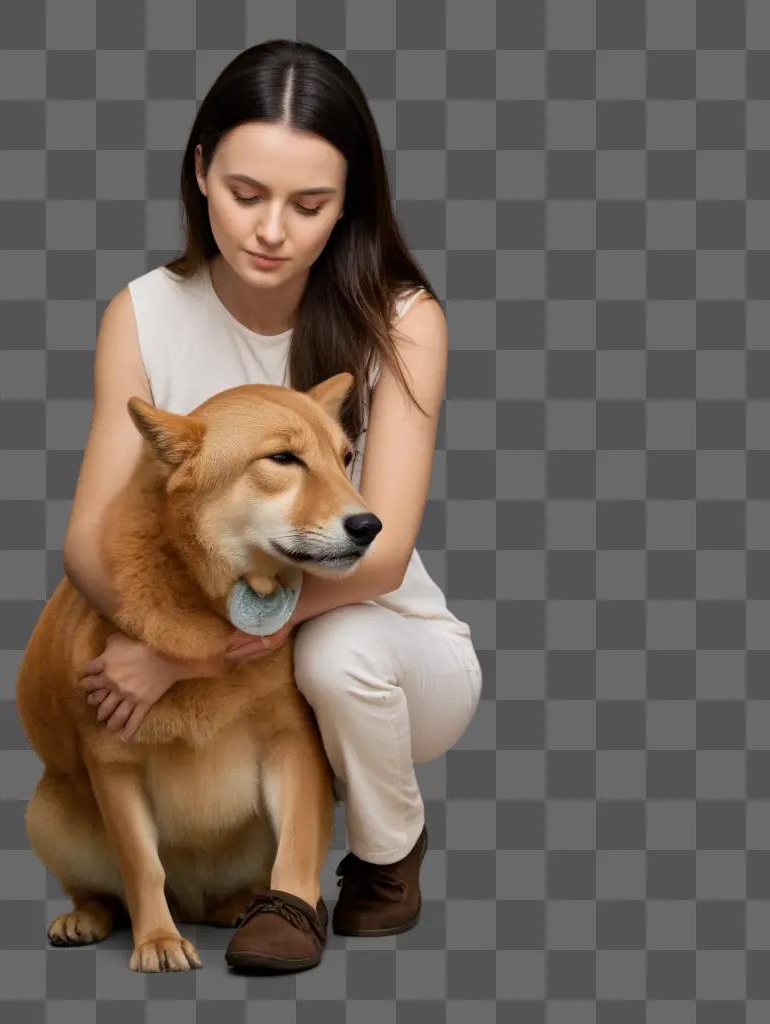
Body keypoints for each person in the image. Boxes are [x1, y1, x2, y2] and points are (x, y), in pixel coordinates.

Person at [63, 39, 483, 969]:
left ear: (351, 202)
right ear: (201, 169)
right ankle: (199, 875)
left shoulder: (403, 318)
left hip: (390, 645)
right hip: (224, 646)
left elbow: (379, 553)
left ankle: (377, 858)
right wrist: (151, 637)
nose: (271, 231)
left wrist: (187, 654)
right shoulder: (143, 312)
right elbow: (89, 541)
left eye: (311, 204)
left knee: (333, 655)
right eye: (247, 194)